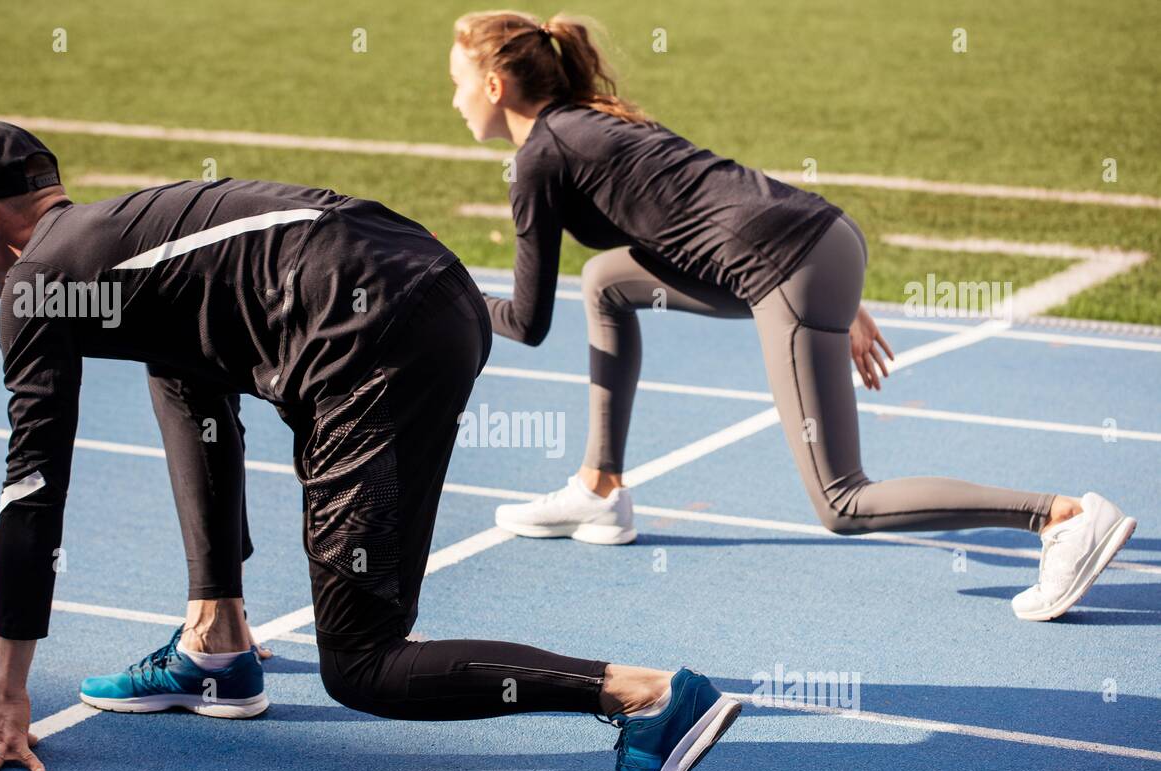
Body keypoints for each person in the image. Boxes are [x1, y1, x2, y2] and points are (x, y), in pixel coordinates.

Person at [0, 116, 740, 771]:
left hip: (371, 339)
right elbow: (192, 384)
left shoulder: (37, 285)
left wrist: (6, 697)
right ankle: (216, 644)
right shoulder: (120, 242)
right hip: (422, 290)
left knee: (362, 663)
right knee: (177, 369)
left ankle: (640, 695)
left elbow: (33, 489)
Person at [449, 11, 1136, 622]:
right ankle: (599, 489)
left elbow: (529, 320)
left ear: (494, 86)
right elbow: (708, 200)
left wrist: (444, 294)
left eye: (456, 85)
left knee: (842, 501)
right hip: (818, 241)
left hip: (793, 266)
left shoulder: (540, 156)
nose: (452, 102)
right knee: (604, 280)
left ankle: (1059, 516)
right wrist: (842, 292)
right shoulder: (596, 121)